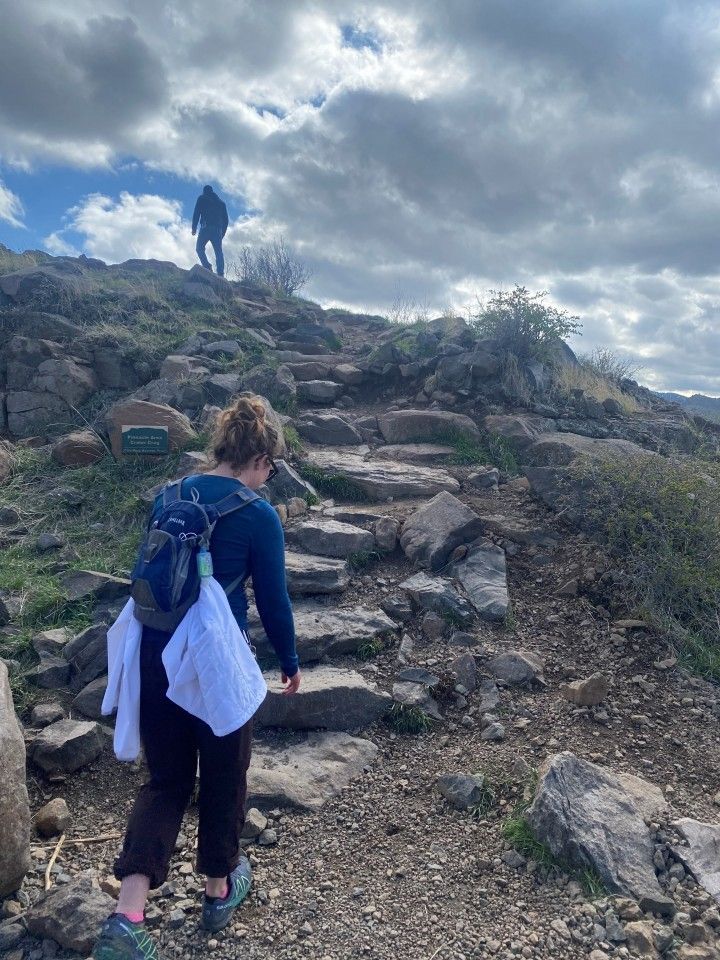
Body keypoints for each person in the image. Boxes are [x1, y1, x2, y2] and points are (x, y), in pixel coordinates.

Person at [93, 395, 300, 960]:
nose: (269, 479)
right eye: (271, 468)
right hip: (212, 665)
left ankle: (127, 916)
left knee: (166, 781)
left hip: (153, 652)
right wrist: (289, 660)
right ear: (259, 456)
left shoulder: (169, 495)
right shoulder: (257, 514)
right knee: (226, 774)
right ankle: (218, 889)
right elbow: (274, 601)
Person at [191, 184, 229, 276]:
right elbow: (226, 220)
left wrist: (194, 228)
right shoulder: (221, 203)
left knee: (199, 248)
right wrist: (222, 233)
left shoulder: (202, 198)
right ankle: (220, 273)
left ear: (204, 191)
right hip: (217, 230)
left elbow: (196, 213)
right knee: (218, 252)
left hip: (205, 228)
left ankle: (207, 267)